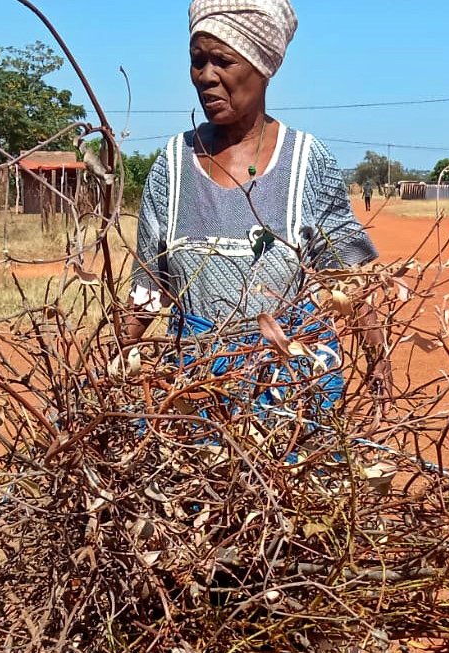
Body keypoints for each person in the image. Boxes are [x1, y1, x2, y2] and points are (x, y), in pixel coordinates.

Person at [124, 0, 383, 417]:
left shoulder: (307, 162)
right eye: (197, 61)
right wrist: (107, 364)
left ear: (262, 68)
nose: (206, 77)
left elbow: (347, 279)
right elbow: (151, 288)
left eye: (222, 61)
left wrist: (378, 368)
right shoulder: (172, 165)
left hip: (293, 392)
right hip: (197, 389)